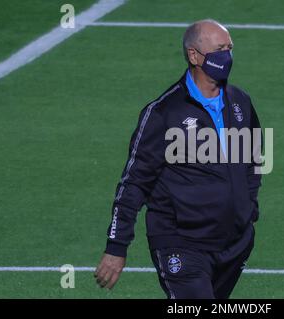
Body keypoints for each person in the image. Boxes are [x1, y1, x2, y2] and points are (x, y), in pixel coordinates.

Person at [94, 19, 262, 299]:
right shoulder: (164, 113)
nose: (228, 56)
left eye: (230, 48)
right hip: (181, 243)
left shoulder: (239, 102)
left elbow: (254, 156)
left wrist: (248, 209)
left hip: (234, 243)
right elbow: (133, 183)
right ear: (194, 55)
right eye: (220, 49)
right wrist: (116, 246)